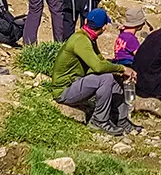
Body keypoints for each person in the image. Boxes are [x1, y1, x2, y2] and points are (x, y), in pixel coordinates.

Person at [51, 8, 139, 136]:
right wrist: (123, 68)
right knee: (107, 78)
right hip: (64, 90)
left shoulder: (88, 37)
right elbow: (97, 66)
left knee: (114, 76)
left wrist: (120, 72)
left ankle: (121, 119)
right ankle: (99, 120)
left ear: (86, 21)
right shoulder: (81, 41)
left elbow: (101, 60)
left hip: (75, 83)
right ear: (104, 28)